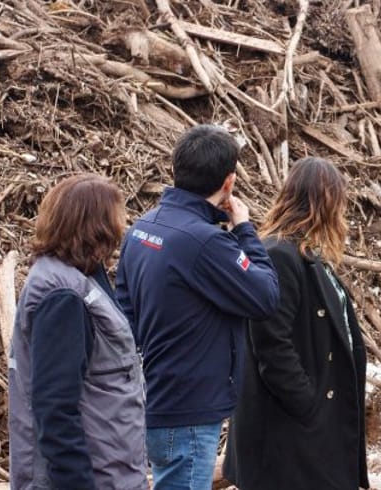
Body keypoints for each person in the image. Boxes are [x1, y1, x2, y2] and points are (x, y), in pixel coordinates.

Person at [115, 124, 280, 490]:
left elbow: (124, 314)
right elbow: (266, 295)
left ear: (176, 169)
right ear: (229, 182)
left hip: (150, 398)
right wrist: (244, 229)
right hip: (188, 409)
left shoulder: (141, 229)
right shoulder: (205, 242)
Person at [223, 157, 369, 490]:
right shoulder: (279, 254)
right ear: (323, 202)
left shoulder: (303, 252)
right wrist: (309, 404)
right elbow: (272, 345)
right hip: (289, 427)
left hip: (307, 424)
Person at [8, 174, 146, 490]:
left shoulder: (79, 278)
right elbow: (55, 409)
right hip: (91, 478)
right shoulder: (65, 299)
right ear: (96, 227)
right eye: (116, 218)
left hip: (108, 470)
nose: (122, 226)